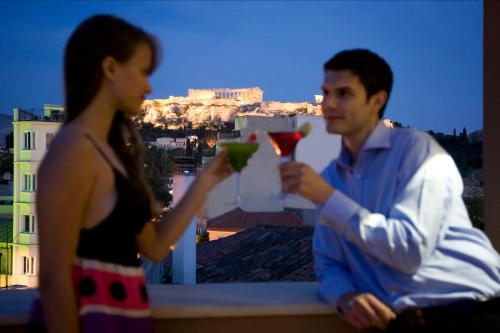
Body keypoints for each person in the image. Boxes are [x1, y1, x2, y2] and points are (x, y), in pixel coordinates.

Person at [28, 15, 233, 333]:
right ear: (110, 68)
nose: (149, 86)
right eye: (142, 72)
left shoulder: (111, 152)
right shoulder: (72, 151)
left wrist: (205, 180)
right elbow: (55, 280)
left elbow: (154, 246)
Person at [279, 49, 500, 332]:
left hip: (471, 314)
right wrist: (344, 296)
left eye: (343, 94)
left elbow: (409, 254)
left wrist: (327, 198)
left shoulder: (416, 150)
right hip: (394, 322)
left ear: (377, 100)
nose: (328, 104)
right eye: (326, 93)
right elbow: (329, 265)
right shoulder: (331, 178)